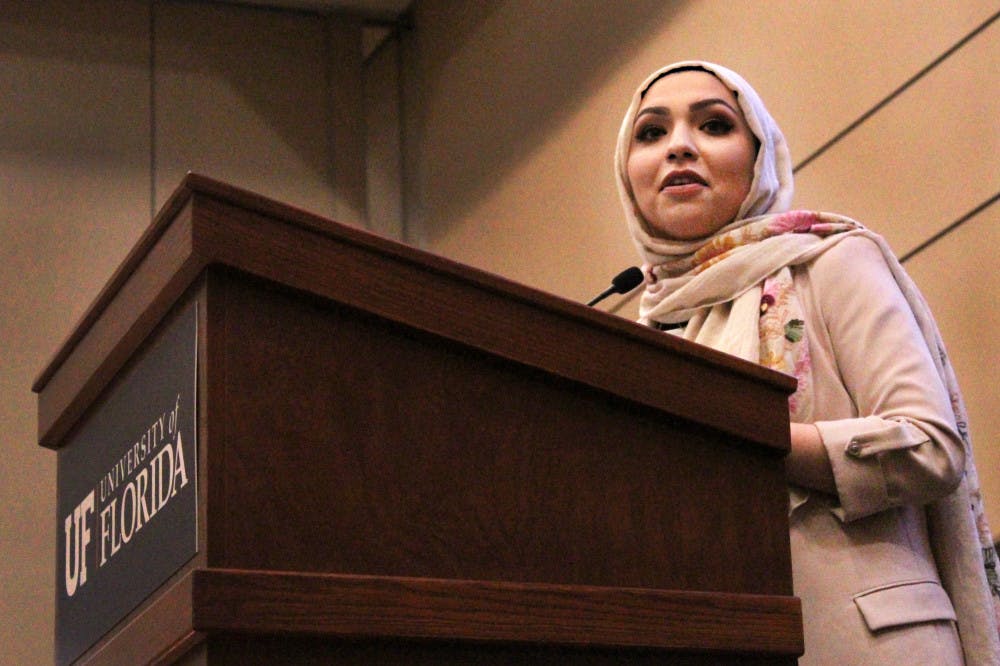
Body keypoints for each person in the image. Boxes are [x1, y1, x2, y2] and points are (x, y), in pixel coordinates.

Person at [614, 60, 1000, 664]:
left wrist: (746, 435)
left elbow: (930, 445)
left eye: (714, 126)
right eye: (651, 133)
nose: (679, 147)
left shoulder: (831, 262)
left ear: (759, 154)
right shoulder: (640, 333)